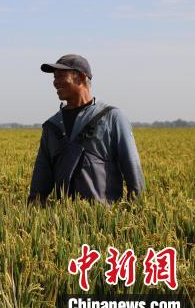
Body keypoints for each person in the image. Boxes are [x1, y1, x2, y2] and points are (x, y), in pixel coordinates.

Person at [28, 54, 145, 203]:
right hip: (64, 222)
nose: (55, 82)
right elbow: (41, 177)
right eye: (54, 77)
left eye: (61, 76)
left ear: (81, 77)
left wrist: (138, 210)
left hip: (105, 219)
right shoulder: (52, 126)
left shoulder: (112, 118)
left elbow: (132, 166)